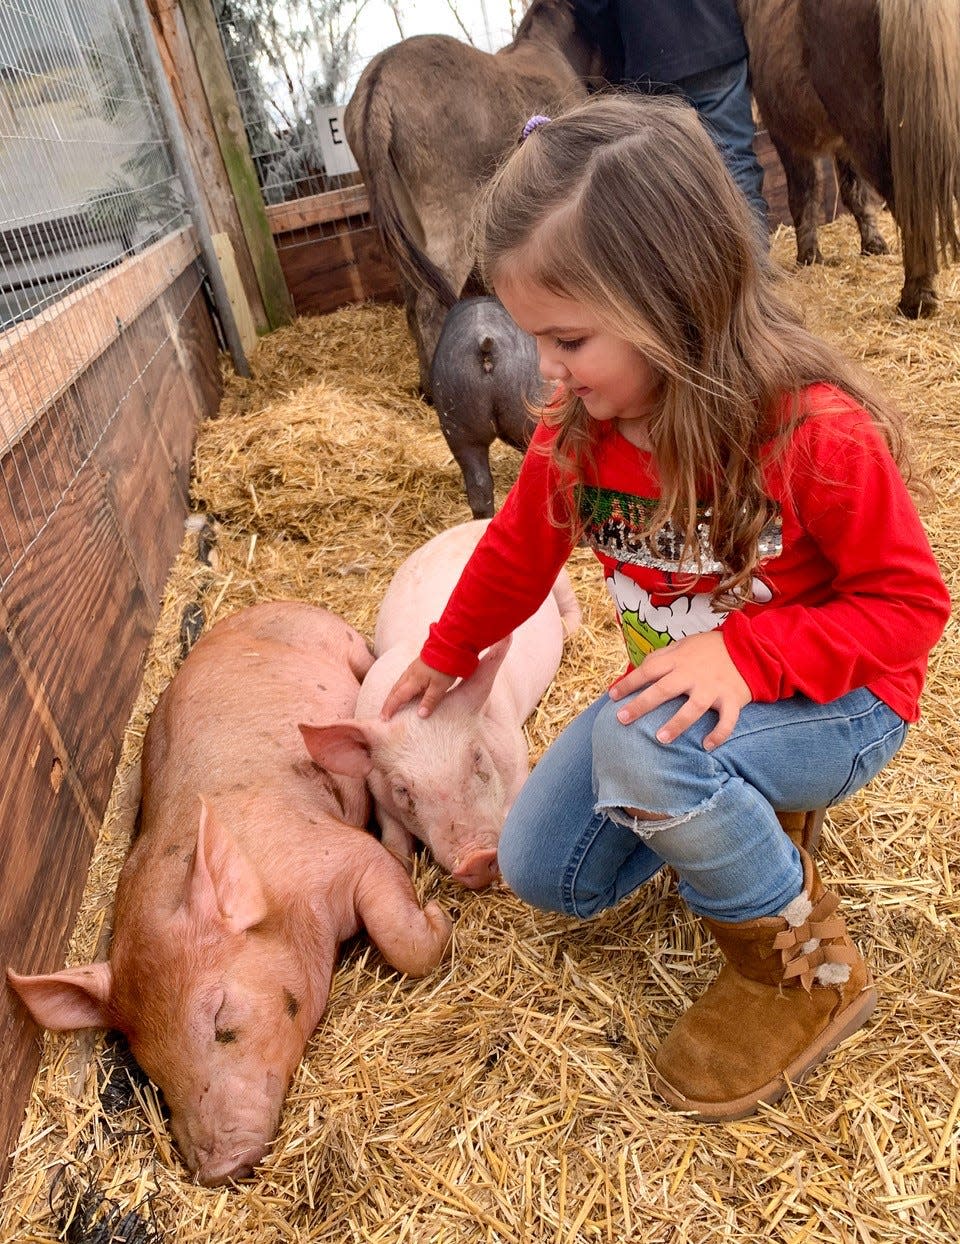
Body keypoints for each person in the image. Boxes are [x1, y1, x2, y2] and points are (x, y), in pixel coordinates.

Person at [380, 95, 950, 1121]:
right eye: (532, 337)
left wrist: (749, 659)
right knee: (541, 864)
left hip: (843, 697)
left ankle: (805, 975)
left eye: (567, 338)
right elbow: (519, 549)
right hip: (688, 696)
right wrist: (448, 648)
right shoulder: (583, 431)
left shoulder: (812, 434)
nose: (543, 371)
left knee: (645, 753)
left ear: (673, 296)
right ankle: (747, 808)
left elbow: (910, 605)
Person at [571, 0, 768, 227]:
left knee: (665, 181)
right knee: (734, 163)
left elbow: (593, 7)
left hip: (647, 59)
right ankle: (753, 260)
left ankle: (689, 260)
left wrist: (620, 50)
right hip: (715, 41)